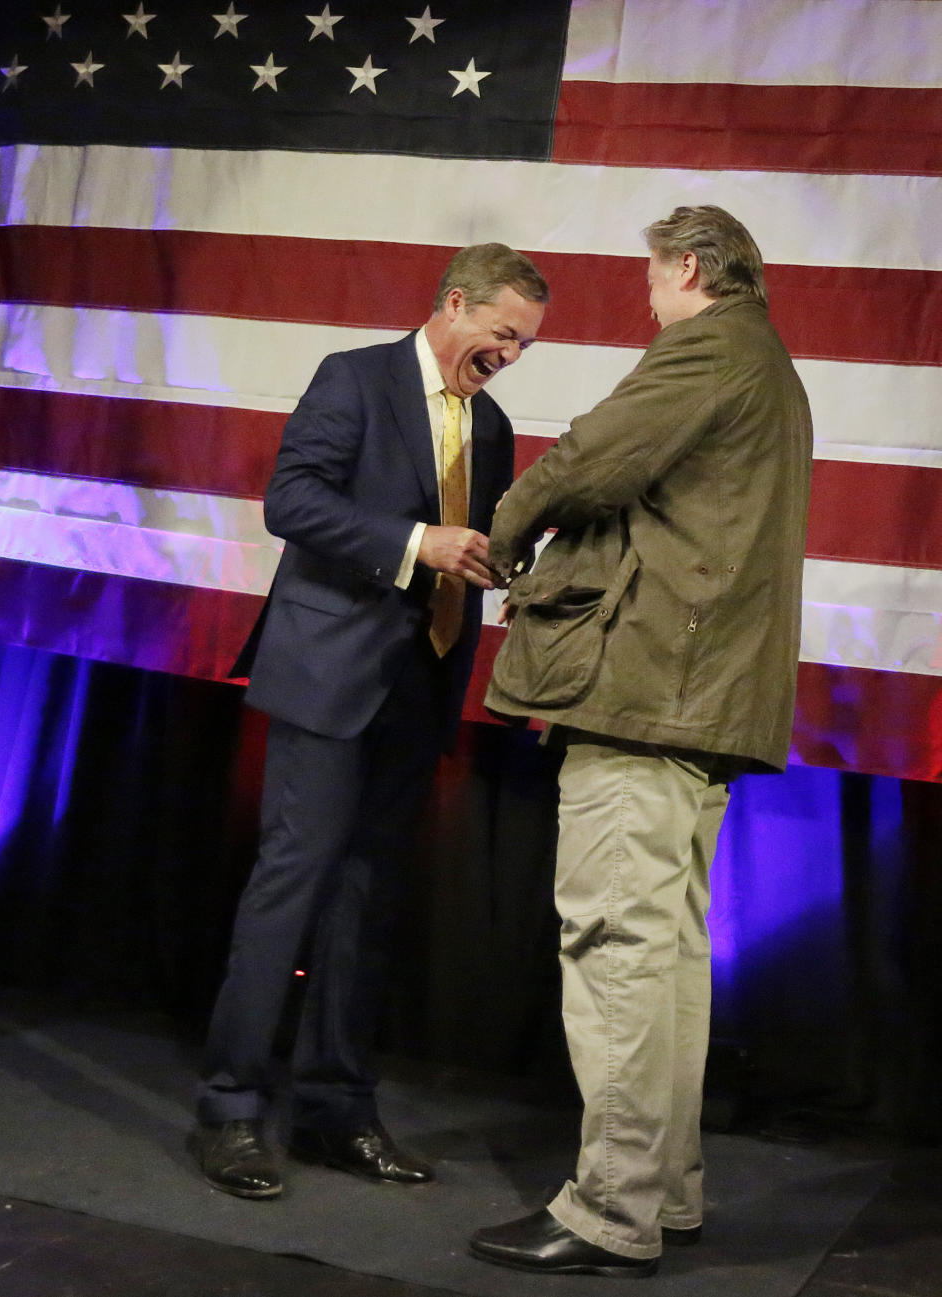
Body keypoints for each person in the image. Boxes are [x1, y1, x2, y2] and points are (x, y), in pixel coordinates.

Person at [469, 206, 812, 1276]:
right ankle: (661, 1193)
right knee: (660, 961)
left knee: (617, 950)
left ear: (694, 269)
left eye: (654, 279)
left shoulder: (710, 344)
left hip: (650, 690)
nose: (647, 299)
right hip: (700, 705)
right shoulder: (771, 367)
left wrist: (509, 523)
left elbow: (596, 457)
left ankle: (610, 1207)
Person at [192, 243, 548, 1198]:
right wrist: (415, 542)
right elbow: (292, 502)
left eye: (524, 344)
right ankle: (230, 1108)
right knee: (292, 885)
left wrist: (497, 567)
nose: (510, 354)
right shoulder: (352, 378)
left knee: (368, 901)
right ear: (455, 303)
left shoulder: (498, 425)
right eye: (503, 333)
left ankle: (334, 1110)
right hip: (327, 676)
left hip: (421, 685)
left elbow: (470, 545)